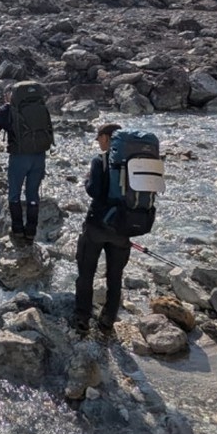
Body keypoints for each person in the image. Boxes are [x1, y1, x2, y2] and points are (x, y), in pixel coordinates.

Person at [0, 82, 53, 243]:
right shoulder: (39, 107)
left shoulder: (7, 110)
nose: (4, 97)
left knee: (14, 194)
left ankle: (17, 230)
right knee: (33, 194)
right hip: (39, 156)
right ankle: (31, 232)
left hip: (19, 157)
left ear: (11, 95)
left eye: (5, 94)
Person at [73, 122, 130, 332]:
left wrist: (87, 181)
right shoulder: (135, 163)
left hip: (97, 225)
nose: (98, 143)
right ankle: (108, 319)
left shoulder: (100, 161)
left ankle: (82, 317)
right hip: (123, 228)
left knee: (86, 272)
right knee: (115, 276)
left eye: (99, 138)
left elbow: (94, 191)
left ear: (106, 137)